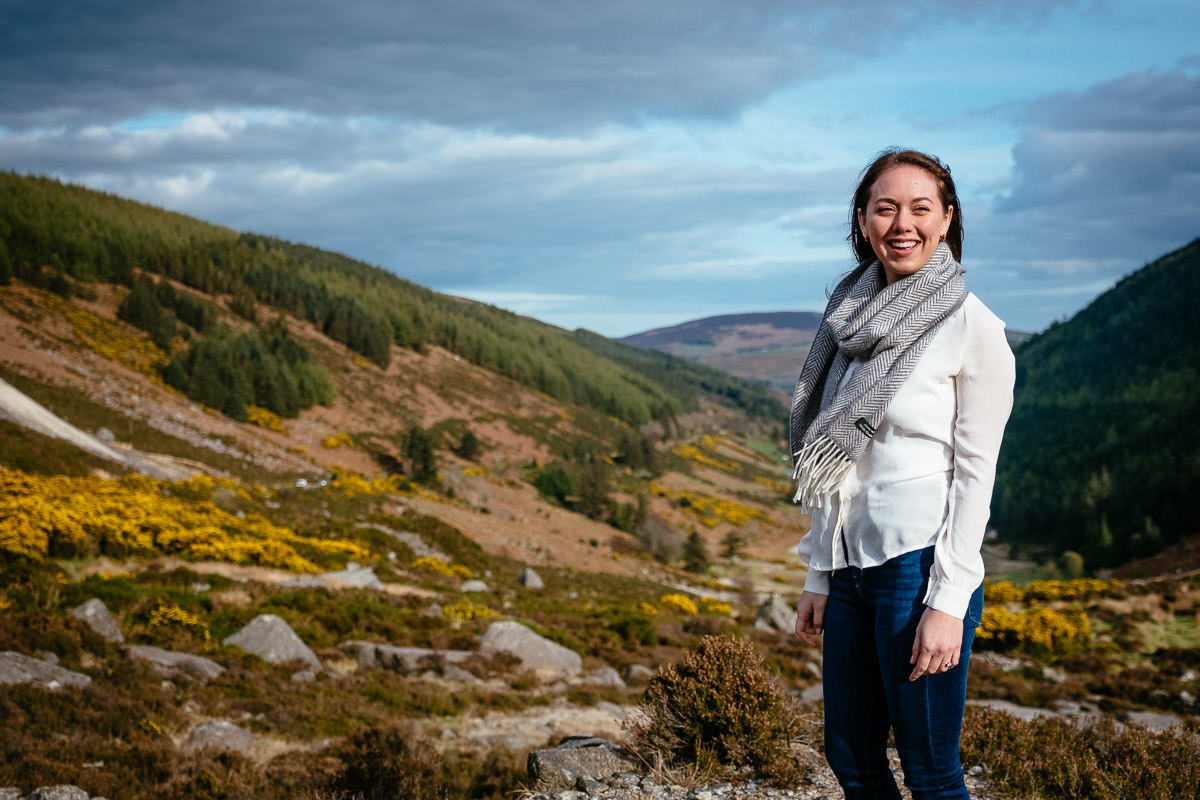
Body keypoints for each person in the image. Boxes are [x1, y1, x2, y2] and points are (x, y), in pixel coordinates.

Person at [789, 148, 1015, 799]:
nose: (902, 224)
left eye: (920, 208)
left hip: (917, 571)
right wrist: (818, 574)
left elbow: (976, 477)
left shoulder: (974, 328)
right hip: (852, 570)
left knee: (931, 771)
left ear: (946, 221)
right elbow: (842, 461)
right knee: (852, 760)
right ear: (863, 221)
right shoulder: (847, 320)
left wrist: (948, 602)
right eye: (885, 208)